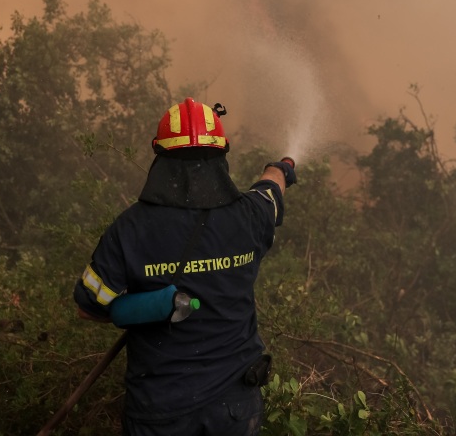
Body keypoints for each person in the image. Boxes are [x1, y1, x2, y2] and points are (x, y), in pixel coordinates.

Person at [73, 97, 297, 436]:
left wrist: (135, 309)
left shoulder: (130, 229)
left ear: (160, 155)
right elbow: (271, 188)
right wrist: (281, 167)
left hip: (159, 411)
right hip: (234, 410)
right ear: (222, 153)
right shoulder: (250, 216)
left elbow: (88, 308)